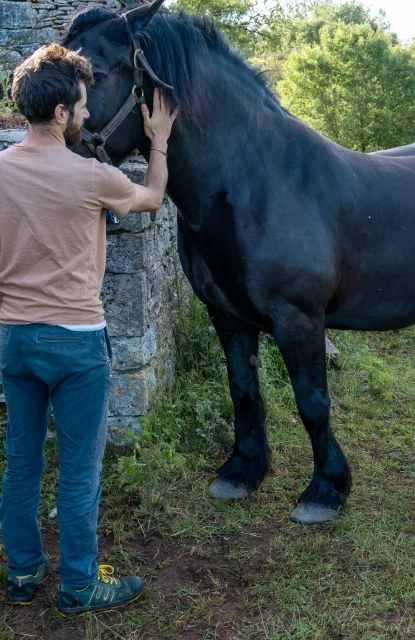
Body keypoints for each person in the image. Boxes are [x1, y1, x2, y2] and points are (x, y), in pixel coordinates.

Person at [0, 43, 177, 616]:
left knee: (23, 461)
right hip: (75, 341)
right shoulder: (92, 176)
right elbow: (152, 198)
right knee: (78, 471)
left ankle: (23, 572)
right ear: (59, 114)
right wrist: (159, 141)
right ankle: (80, 585)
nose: (87, 115)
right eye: (81, 106)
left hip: (13, 338)